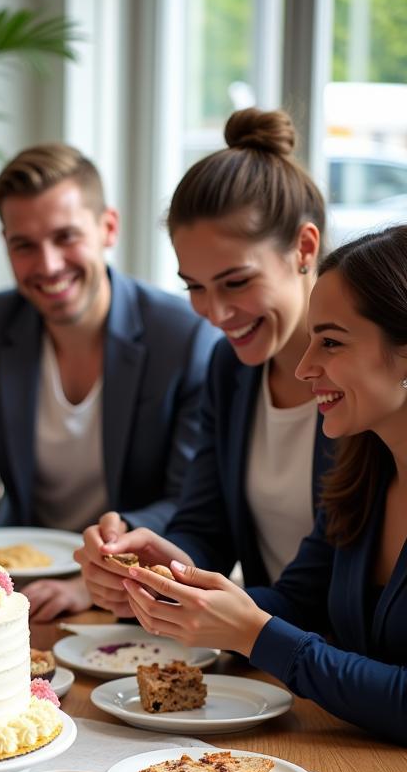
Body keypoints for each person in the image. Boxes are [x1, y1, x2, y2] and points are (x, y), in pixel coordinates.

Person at [120, 224, 407, 744]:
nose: (304, 366)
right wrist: (182, 590)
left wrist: (256, 635)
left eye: (331, 342)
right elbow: (298, 599)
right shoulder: (363, 469)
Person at [0, 143, 218, 617]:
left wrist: (98, 572)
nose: (47, 265)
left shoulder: (183, 335)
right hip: (13, 586)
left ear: (108, 227)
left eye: (65, 237)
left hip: (133, 594)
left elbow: (185, 500)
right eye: (24, 245)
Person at [73, 109, 332, 622]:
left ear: (304, 247)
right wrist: (158, 567)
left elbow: (326, 586)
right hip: (262, 664)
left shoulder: (365, 378)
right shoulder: (230, 369)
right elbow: (206, 527)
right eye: (194, 286)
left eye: (235, 282)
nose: (214, 313)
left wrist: (200, 603)